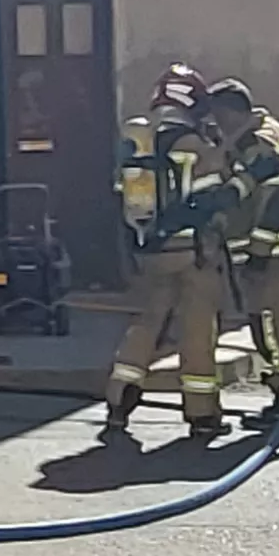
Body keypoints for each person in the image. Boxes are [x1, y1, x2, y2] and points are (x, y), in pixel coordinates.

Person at [108, 64, 236, 441]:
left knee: (147, 323)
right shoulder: (196, 148)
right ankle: (202, 414)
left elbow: (122, 195)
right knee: (197, 330)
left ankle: (119, 399)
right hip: (193, 253)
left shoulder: (136, 143)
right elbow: (213, 201)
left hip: (150, 253)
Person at [199, 78, 279, 409]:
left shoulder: (255, 143)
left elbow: (275, 196)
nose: (216, 124)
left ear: (230, 113)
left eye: (218, 117)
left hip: (278, 251)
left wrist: (258, 252)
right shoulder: (274, 129)